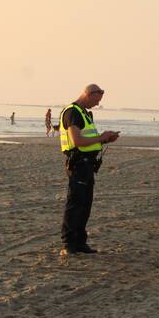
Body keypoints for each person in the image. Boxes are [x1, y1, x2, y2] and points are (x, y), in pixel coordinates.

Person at [59, 84, 120, 257]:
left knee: (85, 205)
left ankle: (80, 242)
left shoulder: (84, 113)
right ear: (88, 94)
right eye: (96, 100)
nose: (97, 104)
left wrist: (105, 140)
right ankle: (69, 243)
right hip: (78, 164)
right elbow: (77, 140)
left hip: (87, 165)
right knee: (75, 204)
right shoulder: (73, 112)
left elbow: (89, 139)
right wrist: (102, 137)